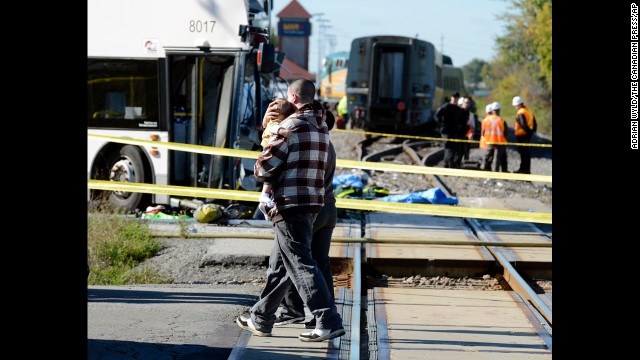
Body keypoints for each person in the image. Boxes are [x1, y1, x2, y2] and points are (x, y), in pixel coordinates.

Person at [235, 79, 345, 342]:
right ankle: (262, 317)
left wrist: (269, 130)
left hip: (290, 204)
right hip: (314, 203)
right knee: (288, 265)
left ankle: (327, 319)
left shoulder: (289, 127)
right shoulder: (321, 127)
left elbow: (263, 168)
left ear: (293, 97)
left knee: (299, 263)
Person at [274, 108, 337, 330]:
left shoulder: (307, 143)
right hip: (329, 207)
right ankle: (328, 314)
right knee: (321, 263)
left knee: (291, 262)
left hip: (309, 209)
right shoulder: (327, 144)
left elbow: (271, 167)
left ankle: (291, 310)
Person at [435, 92, 468, 168]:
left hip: (454, 131)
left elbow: (461, 120)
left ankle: (446, 165)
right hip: (446, 131)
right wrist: (442, 124)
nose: (454, 99)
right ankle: (449, 166)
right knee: (449, 148)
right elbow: (437, 116)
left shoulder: (457, 109)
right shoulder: (446, 107)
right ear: (451, 98)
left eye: (456, 97)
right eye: (453, 97)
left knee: (451, 148)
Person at [512, 96, 537, 174]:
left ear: (518, 105)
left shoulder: (520, 112)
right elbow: (535, 123)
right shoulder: (529, 111)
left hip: (522, 135)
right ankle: (525, 169)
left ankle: (524, 170)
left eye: (515, 106)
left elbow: (523, 124)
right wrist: (532, 133)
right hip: (527, 135)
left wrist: (528, 132)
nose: (515, 107)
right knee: (526, 153)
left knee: (523, 153)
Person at [481, 102, 508, 172]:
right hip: (500, 142)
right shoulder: (501, 120)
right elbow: (506, 133)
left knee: (488, 156)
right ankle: (496, 172)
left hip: (489, 141)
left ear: (492, 110)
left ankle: (485, 169)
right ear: (499, 110)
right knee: (497, 158)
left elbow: (483, 133)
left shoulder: (486, 120)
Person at [458, 97, 476, 161]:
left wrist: (471, 133)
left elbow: (472, 126)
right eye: (466, 103)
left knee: (466, 151)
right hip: (458, 135)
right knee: (458, 152)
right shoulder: (457, 113)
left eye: (468, 103)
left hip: (467, 136)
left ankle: (465, 162)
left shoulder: (470, 114)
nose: (467, 104)